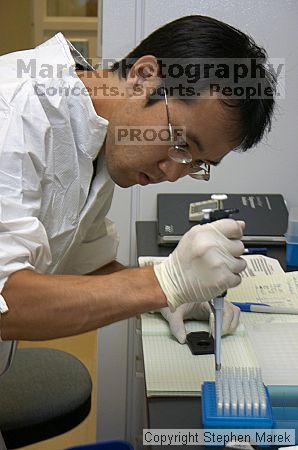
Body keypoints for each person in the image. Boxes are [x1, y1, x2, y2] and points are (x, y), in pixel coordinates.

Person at [0, 15, 276, 375]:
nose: (173, 172)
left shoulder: (95, 130)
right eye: (180, 142)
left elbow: (84, 265)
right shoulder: (15, 114)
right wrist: (163, 283)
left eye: (196, 162)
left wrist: (174, 294)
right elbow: (7, 300)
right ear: (143, 76)